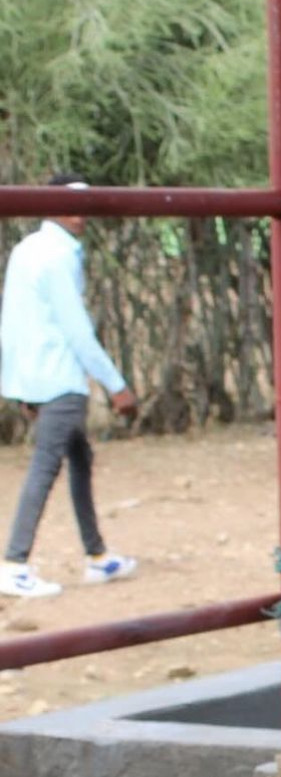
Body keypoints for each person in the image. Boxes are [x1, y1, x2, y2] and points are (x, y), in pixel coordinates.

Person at [0, 173, 139, 600]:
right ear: (51, 206)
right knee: (47, 465)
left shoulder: (29, 250)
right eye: (70, 204)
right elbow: (77, 331)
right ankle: (14, 563)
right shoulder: (58, 256)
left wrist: (21, 385)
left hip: (39, 375)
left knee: (79, 457)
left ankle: (97, 556)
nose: (80, 214)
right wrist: (116, 385)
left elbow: (15, 321)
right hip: (60, 376)